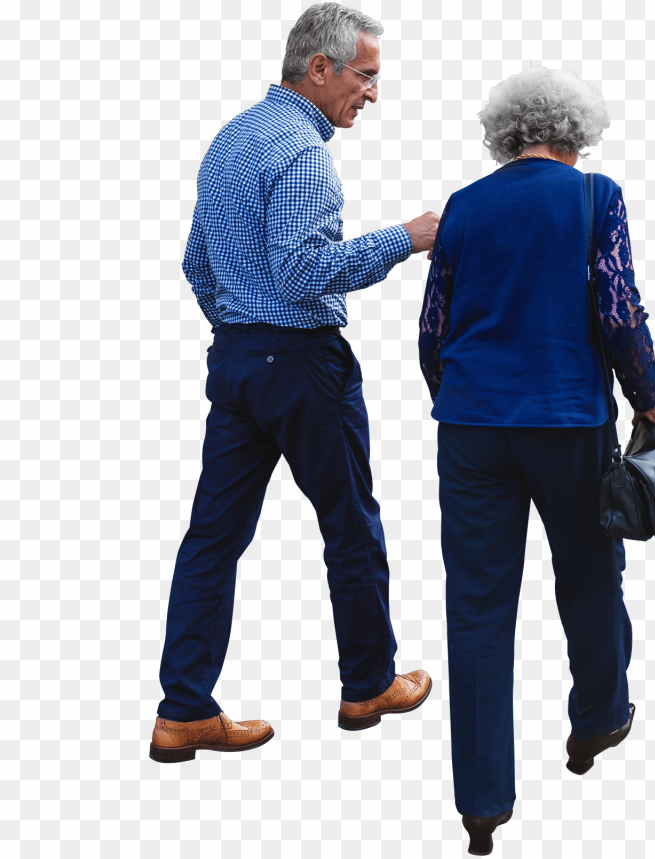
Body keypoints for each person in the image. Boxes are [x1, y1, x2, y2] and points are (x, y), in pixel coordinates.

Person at [150, 2, 436, 764]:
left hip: (237, 363)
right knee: (350, 526)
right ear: (320, 68)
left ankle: (182, 711)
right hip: (303, 366)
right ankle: (368, 683)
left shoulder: (229, 141)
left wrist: (239, 328)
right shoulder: (305, 155)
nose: (372, 94)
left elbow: (195, 266)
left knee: (211, 539)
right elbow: (306, 270)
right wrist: (404, 240)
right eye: (365, 77)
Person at [418, 65, 655, 853]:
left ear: (506, 134)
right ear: (576, 132)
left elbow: (434, 328)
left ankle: (482, 806)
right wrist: (651, 398)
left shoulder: (464, 206)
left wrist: (463, 391)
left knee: (475, 608)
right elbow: (616, 306)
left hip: (471, 426)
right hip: (567, 420)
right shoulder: (596, 198)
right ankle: (597, 721)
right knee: (591, 575)